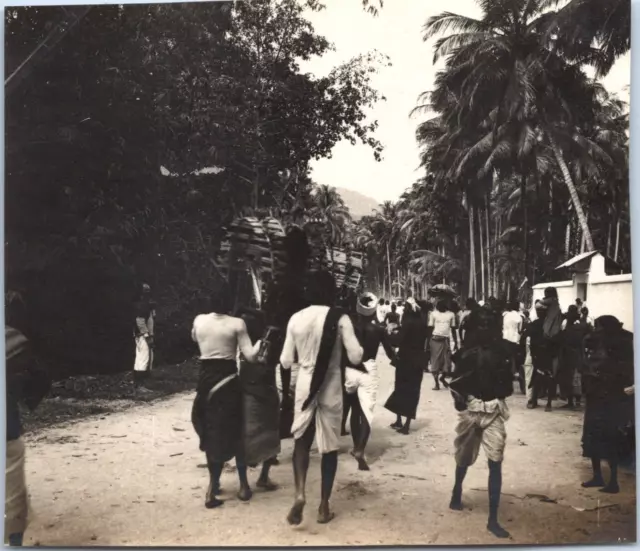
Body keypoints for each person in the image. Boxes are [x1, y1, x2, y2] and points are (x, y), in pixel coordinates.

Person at [280, 271, 363, 526]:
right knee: (329, 448)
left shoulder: (296, 318)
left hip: (305, 386)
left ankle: (300, 493)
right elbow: (357, 356)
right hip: (331, 387)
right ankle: (324, 506)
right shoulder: (340, 318)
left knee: (301, 442)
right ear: (331, 291)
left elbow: (284, 360)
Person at [190, 288, 263, 509]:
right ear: (230, 304)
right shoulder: (237, 324)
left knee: (212, 431)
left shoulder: (200, 320)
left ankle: (213, 487)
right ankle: (243, 486)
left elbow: (194, 338)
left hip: (205, 381)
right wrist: (262, 341)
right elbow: (250, 356)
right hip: (228, 382)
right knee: (236, 431)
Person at [446, 306, 514, 539]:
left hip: (494, 411)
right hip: (472, 411)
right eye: (481, 325)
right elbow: (455, 386)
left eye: (489, 324)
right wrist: (465, 401)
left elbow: (508, 387)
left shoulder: (503, 352)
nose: (485, 329)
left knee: (495, 461)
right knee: (463, 457)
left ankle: (493, 519)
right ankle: (456, 491)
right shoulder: (466, 354)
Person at [6, 300, 51, 546]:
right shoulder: (13, 340)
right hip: (6, 431)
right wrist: (24, 397)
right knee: (11, 498)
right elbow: (40, 377)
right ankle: (12, 544)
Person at [581, 316, 634, 494]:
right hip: (602, 396)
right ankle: (601, 477)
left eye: (598, 326)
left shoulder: (616, 345)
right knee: (597, 436)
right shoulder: (616, 342)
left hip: (607, 396)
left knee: (607, 437)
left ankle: (611, 481)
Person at [344, 292, 397, 470]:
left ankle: (355, 446)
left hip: (351, 368)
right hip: (369, 368)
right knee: (366, 412)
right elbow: (390, 353)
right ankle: (360, 449)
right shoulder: (378, 330)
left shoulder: (350, 328)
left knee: (354, 409)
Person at [237, 308, 281, 491]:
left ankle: (244, 483)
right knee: (269, 435)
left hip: (249, 391)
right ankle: (262, 477)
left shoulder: (242, 342)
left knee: (244, 437)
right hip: (265, 391)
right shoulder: (269, 341)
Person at [384, 298, 428, 434]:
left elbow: (399, 341)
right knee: (413, 390)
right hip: (418, 360)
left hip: (405, 359)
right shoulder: (422, 322)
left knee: (400, 388)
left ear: (408, 309)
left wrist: (388, 334)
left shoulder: (407, 322)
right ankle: (406, 423)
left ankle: (399, 421)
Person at [559, 305, 589, 409]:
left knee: (568, 378)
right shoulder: (581, 327)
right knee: (576, 378)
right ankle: (577, 401)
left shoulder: (568, 328)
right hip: (578, 354)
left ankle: (571, 401)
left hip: (568, 355)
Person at [428, 300, 458, 390]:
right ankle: (437, 383)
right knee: (435, 362)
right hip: (435, 340)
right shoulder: (433, 314)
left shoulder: (451, 314)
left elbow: (453, 328)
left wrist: (455, 341)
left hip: (446, 340)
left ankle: (442, 378)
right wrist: (428, 342)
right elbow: (430, 328)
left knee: (447, 362)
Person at [133, 283, 155, 392]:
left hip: (142, 335)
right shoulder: (142, 305)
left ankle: (140, 383)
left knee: (143, 358)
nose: (148, 293)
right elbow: (140, 321)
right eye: (145, 291)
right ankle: (140, 385)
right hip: (143, 335)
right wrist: (147, 336)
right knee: (143, 358)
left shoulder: (145, 304)